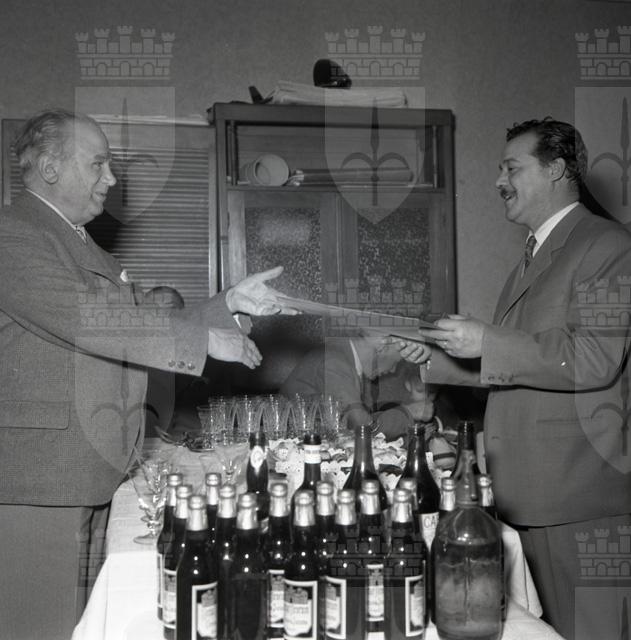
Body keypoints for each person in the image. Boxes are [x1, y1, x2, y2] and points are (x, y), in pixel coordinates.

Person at [0, 108, 296, 640]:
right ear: (49, 169)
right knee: (39, 627)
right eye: (98, 164)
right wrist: (205, 340)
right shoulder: (14, 234)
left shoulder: (75, 242)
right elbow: (85, 318)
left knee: (78, 625)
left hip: (84, 467)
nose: (112, 179)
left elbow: (138, 320)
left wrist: (227, 303)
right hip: (41, 478)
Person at [410, 118, 631, 640]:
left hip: (576, 497)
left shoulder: (607, 245)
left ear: (556, 170)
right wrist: (435, 356)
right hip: (526, 491)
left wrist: (486, 340)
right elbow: (522, 365)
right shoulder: (533, 256)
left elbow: (594, 358)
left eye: (511, 168)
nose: (498, 181)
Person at [279, 332, 460, 445]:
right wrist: (409, 413)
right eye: (397, 360)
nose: (394, 370)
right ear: (382, 344)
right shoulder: (335, 363)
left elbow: (357, 422)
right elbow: (362, 428)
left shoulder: (342, 357)